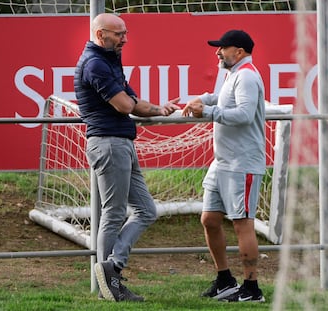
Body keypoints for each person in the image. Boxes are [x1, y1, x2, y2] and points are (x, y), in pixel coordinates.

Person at [73, 13, 180, 302]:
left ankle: (112, 267)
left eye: (125, 33)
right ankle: (110, 282)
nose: (125, 39)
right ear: (100, 35)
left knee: (146, 210)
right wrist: (138, 106)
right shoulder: (95, 63)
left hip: (121, 143)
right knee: (114, 213)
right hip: (108, 143)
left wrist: (159, 109)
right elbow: (124, 105)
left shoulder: (108, 60)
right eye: (119, 34)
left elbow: (134, 101)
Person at [182, 30, 266, 303]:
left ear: (238, 52)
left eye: (222, 48)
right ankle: (225, 281)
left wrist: (205, 112)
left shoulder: (248, 76)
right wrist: (203, 100)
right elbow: (221, 98)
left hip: (243, 163)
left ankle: (252, 289)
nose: (217, 52)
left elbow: (242, 115)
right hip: (223, 162)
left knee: (242, 224)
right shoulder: (234, 74)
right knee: (209, 219)